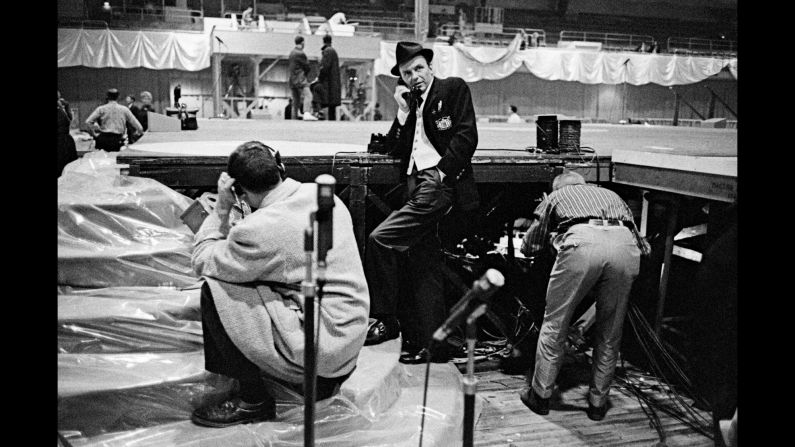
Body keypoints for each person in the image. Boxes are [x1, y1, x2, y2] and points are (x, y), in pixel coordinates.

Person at [189, 141, 370, 427]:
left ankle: (253, 400)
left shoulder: (259, 229)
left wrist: (221, 210)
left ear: (238, 189)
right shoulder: (323, 196)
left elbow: (202, 259)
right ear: (280, 167)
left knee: (215, 287)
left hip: (321, 353)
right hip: (347, 340)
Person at [363, 41, 479, 364]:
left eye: (418, 69)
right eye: (407, 72)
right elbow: (393, 150)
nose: (414, 76)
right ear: (401, 77)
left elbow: (467, 136)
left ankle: (386, 318)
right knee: (425, 265)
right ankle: (436, 346)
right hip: (413, 184)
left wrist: (442, 174)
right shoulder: (412, 106)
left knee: (380, 240)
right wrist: (401, 110)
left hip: (436, 184)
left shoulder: (452, 89)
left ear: (430, 68)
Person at [517, 171, 646, 421]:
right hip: (625, 245)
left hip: (582, 243)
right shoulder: (612, 195)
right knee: (610, 330)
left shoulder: (557, 196)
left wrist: (551, 240)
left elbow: (529, 245)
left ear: (555, 188)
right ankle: (598, 404)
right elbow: (643, 245)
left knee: (555, 323)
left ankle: (541, 396)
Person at [85, 88, 143, 152]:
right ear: (118, 97)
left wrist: (94, 134)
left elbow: (88, 122)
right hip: (117, 140)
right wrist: (137, 134)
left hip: (103, 139)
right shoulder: (124, 109)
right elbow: (139, 127)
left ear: (107, 96)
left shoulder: (101, 109)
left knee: (102, 160)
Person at [287, 35, 317, 121]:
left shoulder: (292, 53)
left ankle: (294, 117)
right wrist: (307, 76)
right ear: (303, 42)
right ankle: (306, 113)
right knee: (309, 95)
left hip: (292, 79)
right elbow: (307, 66)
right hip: (300, 78)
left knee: (296, 100)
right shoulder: (300, 53)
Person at [318, 35, 341, 121]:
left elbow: (325, 67)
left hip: (329, 83)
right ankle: (332, 121)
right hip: (333, 83)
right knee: (332, 108)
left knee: (327, 103)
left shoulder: (327, 51)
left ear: (323, 41)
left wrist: (320, 78)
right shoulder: (333, 51)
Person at [57, 90, 78, 176]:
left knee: (68, 169)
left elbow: (69, 120)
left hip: (65, 140)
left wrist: (67, 106)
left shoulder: (60, 108)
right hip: (60, 141)